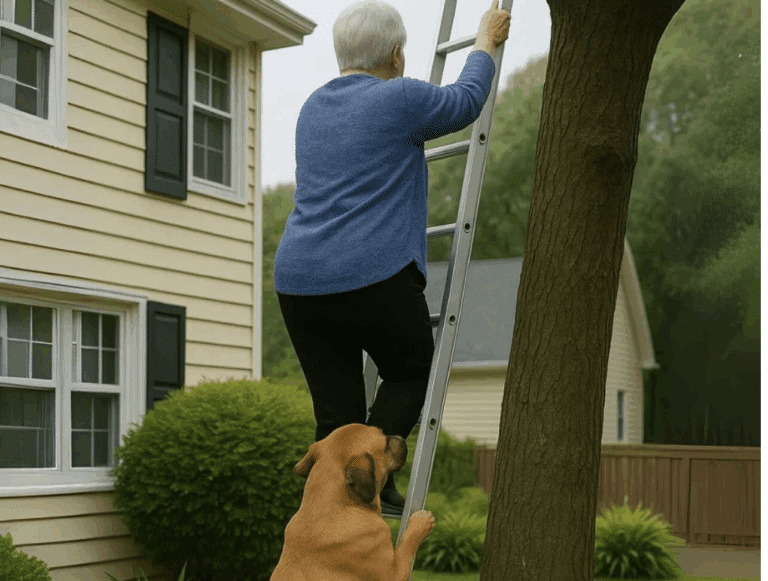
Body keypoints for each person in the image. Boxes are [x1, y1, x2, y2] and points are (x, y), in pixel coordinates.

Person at [274, 0, 511, 514]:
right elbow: (466, 100)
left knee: (337, 419)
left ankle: (342, 511)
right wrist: (485, 44)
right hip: (371, 275)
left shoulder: (312, 107)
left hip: (300, 283)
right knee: (410, 368)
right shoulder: (398, 98)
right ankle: (374, 472)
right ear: (398, 55)